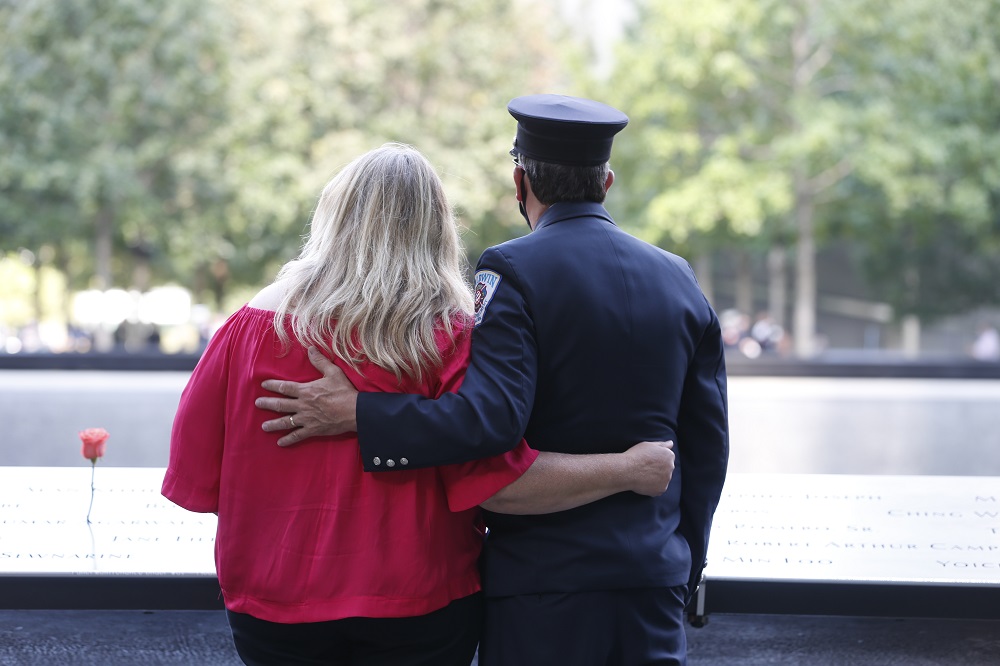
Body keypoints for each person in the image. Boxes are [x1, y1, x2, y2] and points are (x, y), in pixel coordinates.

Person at [256, 97, 729, 665]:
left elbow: (490, 418)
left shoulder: (511, 269)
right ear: (605, 181)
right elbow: (707, 445)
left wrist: (361, 412)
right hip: (655, 579)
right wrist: (687, 564)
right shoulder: (678, 277)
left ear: (519, 180)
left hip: (542, 587)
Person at [162, 143, 675, 666]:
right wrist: (629, 468)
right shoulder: (450, 337)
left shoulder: (246, 330)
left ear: (333, 214)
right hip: (420, 603)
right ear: (436, 226)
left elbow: (194, 476)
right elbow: (501, 483)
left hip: (272, 602)